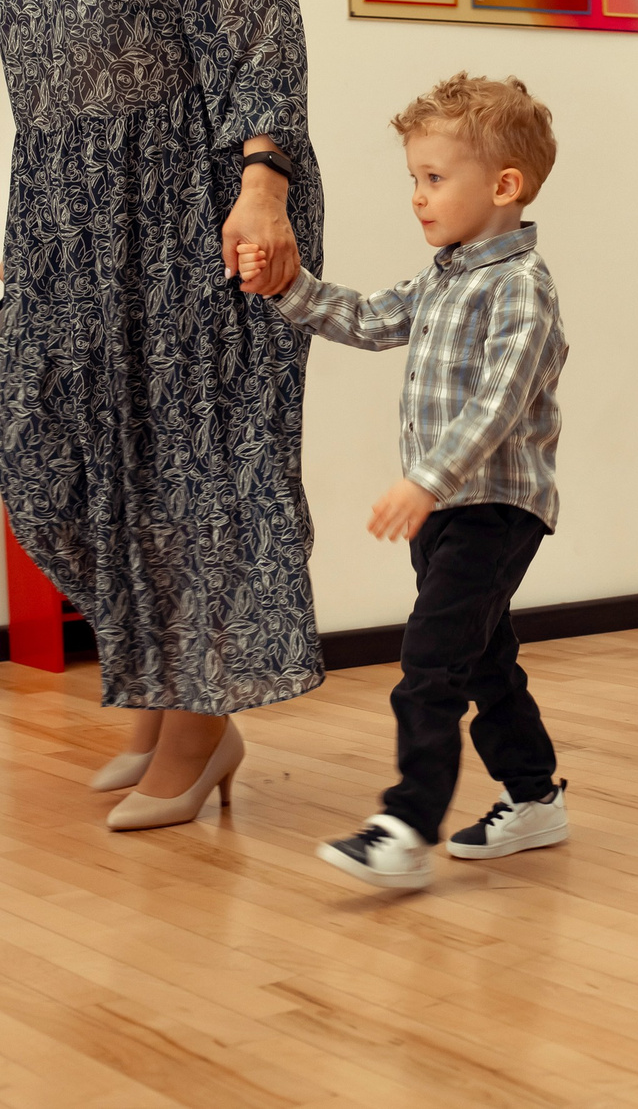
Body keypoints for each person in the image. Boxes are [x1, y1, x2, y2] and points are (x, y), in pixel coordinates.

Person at [0, 0, 324, 832]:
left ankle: (197, 725)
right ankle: (157, 694)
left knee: (193, 471)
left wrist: (264, 188)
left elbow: (262, 47)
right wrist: (26, 232)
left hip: (195, 214)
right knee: (55, 446)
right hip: (77, 230)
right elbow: (44, 87)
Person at [246, 75, 570, 892]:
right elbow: (367, 318)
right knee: (485, 662)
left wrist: (427, 479)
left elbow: (500, 401)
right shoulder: (442, 277)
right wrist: (289, 288)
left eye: (434, 178)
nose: (418, 198)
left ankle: (404, 825)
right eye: (413, 180)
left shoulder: (521, 289)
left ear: (504, 186)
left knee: (429, 666)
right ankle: (535, 794)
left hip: (493, 509)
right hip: (445, 508)